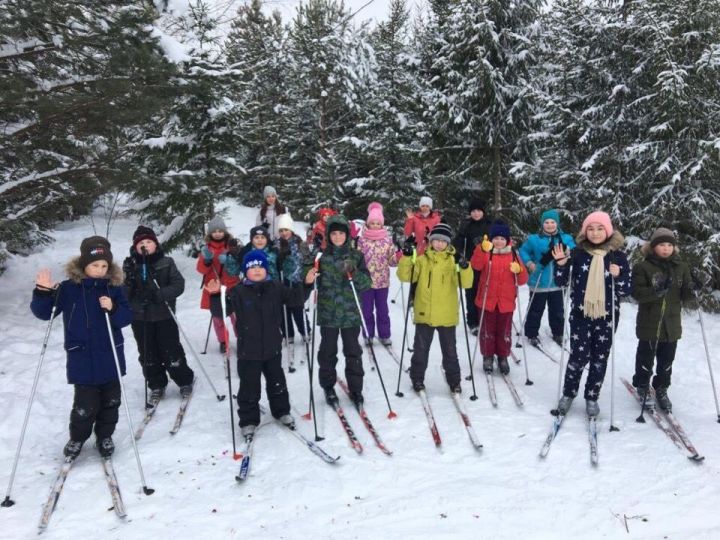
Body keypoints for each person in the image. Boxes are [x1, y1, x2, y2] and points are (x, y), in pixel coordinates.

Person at [31, 236, 132, 459]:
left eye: (104, 265)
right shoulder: (69, 289)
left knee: (111, 402)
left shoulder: (113, 288)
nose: (100, 269)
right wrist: (42, 292)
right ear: (84, 264)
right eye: (95, 265)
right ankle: (77, 438)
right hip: (82, 358)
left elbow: (126, 318)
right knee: (84, 406)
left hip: (110, 356)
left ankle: (105, 435)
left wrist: (113, 308)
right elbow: (44, 313)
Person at [552, 211, 632, 417]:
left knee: (600, 358)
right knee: (578, 356)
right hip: (580, 314)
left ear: (608, 231)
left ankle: (592, 396)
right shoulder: (577, 254)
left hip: (607, 316)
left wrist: (619, 274)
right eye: (590, 228)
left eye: (599, 229)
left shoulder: (618, 257)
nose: (595, 233)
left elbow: (625, 289)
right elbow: (561, 282)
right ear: (584, 231)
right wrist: (560, 264)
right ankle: (568, 394)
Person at [225, 250, 303, 435]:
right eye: (252, 268)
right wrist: (216, 296)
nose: (257, 270)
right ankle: (248, 420)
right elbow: (221, 310)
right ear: (245, 271)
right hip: (248, 350)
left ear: (266, 269)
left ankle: (282, 411)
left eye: (260, 266)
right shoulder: (237, 291)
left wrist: (302, 283)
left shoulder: (275, 287)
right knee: (249, 387)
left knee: (277, 383)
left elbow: (296, 299)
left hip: (272, 347)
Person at [304, 214, 372, 406]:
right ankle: (328, 387)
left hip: (350, 314)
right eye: (333, 234)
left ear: (347, 235)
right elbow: (307, 276)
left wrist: (354, 272)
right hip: (328, 314)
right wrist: (308, 277)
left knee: (353, 352)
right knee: (327, 353)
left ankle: (356, 389)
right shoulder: (321, 257)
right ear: (328, 235)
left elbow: (367, 283)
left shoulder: (356, 256)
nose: (337, 237)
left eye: (341, 234)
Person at [397, 222, 474, 392]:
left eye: (443, 241)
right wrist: (407, 257)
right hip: (425, 313)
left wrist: (464, 267)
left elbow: (466, 284)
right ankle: (417, 379)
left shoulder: (453, 261)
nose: (439, 243)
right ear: (431, 241)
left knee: (450, 352)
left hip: (446, 315)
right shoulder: (422, 260)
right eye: (436, 240)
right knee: (420, 351)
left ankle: (455, 381)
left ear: (448, 243)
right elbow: (405, 276)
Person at [123, 226, 194, 402]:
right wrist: (130, 281)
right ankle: (156, 384)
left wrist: (158, 294)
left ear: (155, 244)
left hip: (164, 315)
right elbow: (123, 294)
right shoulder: (130, 265)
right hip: (141, 317)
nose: (145, 245)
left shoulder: (166, 262)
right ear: (135, 246)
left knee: (171, 350)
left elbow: (178, 285)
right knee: (148, 353)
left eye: (149, 242)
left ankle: (184, 380)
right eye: (141, 243)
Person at [631, 227, 694, 412]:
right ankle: (642, 385)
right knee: (646, 357)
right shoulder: (643, 267)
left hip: (672, 324)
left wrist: (693, 289)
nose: (666, 248)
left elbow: (686, 295)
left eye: (669, 245)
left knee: (667, 360)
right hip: (650, 322)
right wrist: (656, 292)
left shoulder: (681, 267)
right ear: (653, 247)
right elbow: (637, 293)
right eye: (661, 245)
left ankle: (661, 388)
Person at [470, 221, 528, 375]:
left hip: (506, 302)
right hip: (487, 300)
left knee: (504, 332)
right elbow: (476, 266)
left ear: (507, 240)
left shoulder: (514, 255)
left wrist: (519, 270)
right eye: (496, 238)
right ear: (491, 238)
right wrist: (482, 249)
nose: (499, 241)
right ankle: (487, 356)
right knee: (487, 331)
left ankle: (503, 357)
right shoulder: (486, 251)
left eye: (503, 239)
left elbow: (522, 280)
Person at [519, 209, 576, 346]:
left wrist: (568, 251)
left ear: (557, 224)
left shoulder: (566, 238)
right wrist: (529, 263)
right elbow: (523, 251)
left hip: (558, 282)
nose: (550, 225)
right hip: (539, 281)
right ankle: (531, 333)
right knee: (535, 310)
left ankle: (558, 333)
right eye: (546, 222)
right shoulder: (534, 239)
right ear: (542, 224)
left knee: (557, 310)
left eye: (552, 222)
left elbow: (574, 251)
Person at [196, 216, 241, 354]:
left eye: (220, 230)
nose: (217, 233)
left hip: (232, 285)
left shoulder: (232, 246)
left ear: (225, 232)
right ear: (210, 233)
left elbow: (239, 264)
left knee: (237, 315)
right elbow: (200, 270)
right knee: (218, 317)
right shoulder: (207, 249)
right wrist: (207, 261)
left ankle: (242, 338)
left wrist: (230, 259)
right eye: (214, 231)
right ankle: (223, 340)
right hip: (214, 287)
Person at [357, 202, 399, 346]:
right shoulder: (362, 240)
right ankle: (368, 334)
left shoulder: (387, 240)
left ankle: (384, 334)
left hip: (382, 282)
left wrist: (399, 256)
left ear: (382, 224)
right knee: (367, 310)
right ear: (368, 223)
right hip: (366, 282)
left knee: (382, 309)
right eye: (372, 223)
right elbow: (357, 258)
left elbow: (392, 262)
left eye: (378, 223)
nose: (375, 225)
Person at [453, 199, 492, 334]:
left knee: (486, 292)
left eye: (478, 211)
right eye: (473, 211)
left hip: (488, 264)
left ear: (483, 212)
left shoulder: (490, 224)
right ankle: (473, 321)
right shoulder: (466, 225)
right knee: (471, 292)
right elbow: (457, 243)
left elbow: (498, 241)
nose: (476, 214)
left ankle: (486, 319)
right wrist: (461, 234)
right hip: (470, 263)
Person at [275, 214, 312, 343]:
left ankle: (305, 331)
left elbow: (307, 261)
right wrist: (280, 257)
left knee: (298, 309)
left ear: (291, 230)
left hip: (297, 281)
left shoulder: (300, 243)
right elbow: (274, 262)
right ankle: (288, 333)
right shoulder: (277, 244)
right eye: (281, 230)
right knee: (284, 310)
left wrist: (306, 276)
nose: (284, 233)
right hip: (282, 281)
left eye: (286, 230)